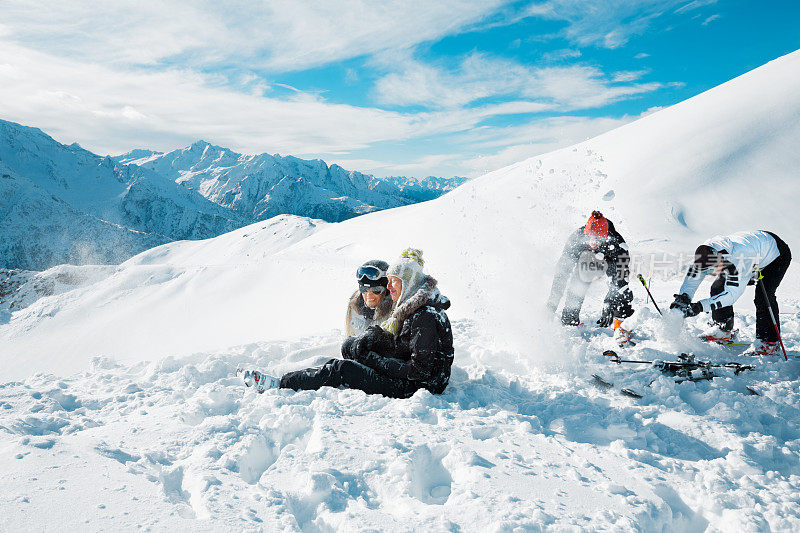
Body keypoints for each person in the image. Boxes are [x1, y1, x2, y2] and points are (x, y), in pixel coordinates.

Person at [241, 248, 455, 397]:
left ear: (408, 282)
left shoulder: (424, 317)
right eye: (388, 282)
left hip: (417, 387)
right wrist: (374, 337)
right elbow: (404, 342)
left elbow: (420, 372)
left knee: (342, 369)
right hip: (413, 376)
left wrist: (373, 362)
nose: (389, 289)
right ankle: (308, 375)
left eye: (394, 282)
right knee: (351, 347)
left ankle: (280, 384)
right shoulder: (412, 307)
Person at [670, 230, 792, 356]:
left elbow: (731, 295)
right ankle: (723, 330)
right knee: (718, 288)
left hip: (776, 255)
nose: (711, 273)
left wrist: (700, 307)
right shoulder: (705, 252)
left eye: (712, 270)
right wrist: (684, 297)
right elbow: (693, 277)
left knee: (763, 296)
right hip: (755, 247)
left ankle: (769, 342)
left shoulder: (741, 258)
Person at [546, 211, 634, 345]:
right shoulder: (576, 239)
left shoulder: (617, 244)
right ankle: (570, 322)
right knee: (577, 285)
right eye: (590, 238)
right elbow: (561, 274)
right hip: (588, 260)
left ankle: (621, 328)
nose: (593, 243)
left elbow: (621, 279)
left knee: (622, 291)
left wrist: (610, 300)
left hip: (610, 260)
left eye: (598, 239)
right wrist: (551, 306)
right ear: (585, 234)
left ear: (605, 237)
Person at [345, 260, 394, 336]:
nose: (369, 295)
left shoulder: (394, 314)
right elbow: (349, 335)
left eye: (376, 290)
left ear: (386, 290)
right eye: (364, 289)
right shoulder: (354, 306)